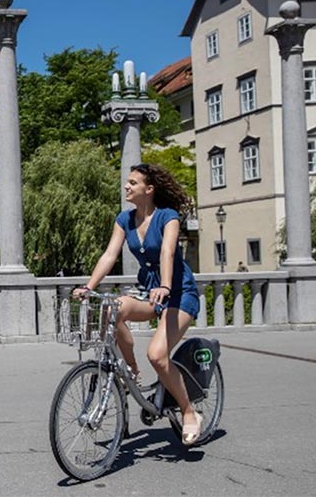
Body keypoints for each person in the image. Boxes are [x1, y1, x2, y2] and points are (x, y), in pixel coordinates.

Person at [72, 163, 204, 445]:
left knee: (157, 355)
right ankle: (130, 369)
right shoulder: (125, 219)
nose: (126, 186)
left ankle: (189, 412)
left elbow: (168, 252)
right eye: (127, 182)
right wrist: (88, 286)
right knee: (113, 307)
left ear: (149, 189)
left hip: (179, 293)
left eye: (133, 182)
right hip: (148, 291)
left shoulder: (168, 217)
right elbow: (110, 255)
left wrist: (166, 285)